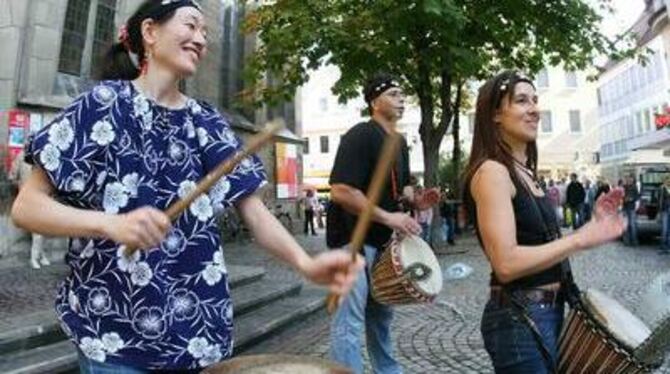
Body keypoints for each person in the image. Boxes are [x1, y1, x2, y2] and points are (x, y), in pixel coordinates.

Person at [10, 1, 363, 372]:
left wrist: (305, 263)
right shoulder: (102, 105)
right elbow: (27, 207)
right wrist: (109, 224)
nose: (200, 39)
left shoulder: (206, 121)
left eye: (205, 33)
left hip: (197, 333)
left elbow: (256, 214)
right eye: (191, 26)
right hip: (113, 333)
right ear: (150, 32)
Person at [463, 70, 625, 373]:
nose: (535, 109)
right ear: (495, 113)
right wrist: (579, 239)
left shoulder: (524, 173)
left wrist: (593, 223)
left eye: (535, 100)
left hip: (545, 311)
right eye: (522, 101)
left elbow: (539, 242)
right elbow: (506, 263)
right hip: (517, 317)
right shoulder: (492, 173)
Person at [327, 73, 421, 374]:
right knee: (349, 321)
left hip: (382, 244)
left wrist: (416, 200)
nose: (402, 99)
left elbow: (400, 190)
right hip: (351, 242)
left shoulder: (399, 141)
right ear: (374, 101)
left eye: (403, 94)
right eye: (394, 94)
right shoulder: (360, 135)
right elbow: (342, 191)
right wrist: (388, 216)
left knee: (381, 319)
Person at [8, 148, 50, 269]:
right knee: (37, 231)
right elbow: (12, 176)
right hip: (28, 197)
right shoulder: (22, 156)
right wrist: (21, 187)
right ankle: (34, 258)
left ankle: (41, 255)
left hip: (42, 196)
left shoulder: (42, 155)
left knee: (44, 229)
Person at [622, 174, 640, 246]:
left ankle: (634, 241)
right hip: (625, 208)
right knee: (626, 225)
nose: (629, 180)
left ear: (633, 180)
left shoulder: (635, 187)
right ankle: (627, 241)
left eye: (631, 179)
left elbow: (637, 197)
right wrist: (624, 199)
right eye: (628, 179)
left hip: (631, 208)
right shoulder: (624, 187)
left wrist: (631, 198)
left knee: (632, 225)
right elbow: (621, 196)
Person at [659, 177, 670, 254]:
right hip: (665, 210)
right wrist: (660, 211)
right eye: (666, 180)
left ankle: (668, 247)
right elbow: (660, 200)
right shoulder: (662, 189)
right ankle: (663, 247)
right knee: (664, 229)